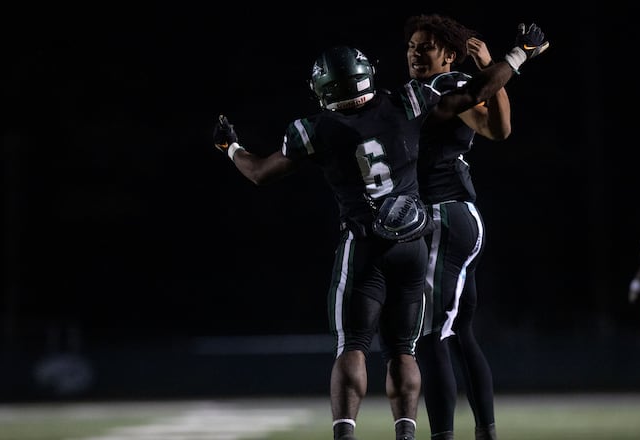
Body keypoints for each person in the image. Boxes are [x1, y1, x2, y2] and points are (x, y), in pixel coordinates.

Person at [211, 25, 549, 440]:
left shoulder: (313, 128)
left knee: (356, 343)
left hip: (370, 240)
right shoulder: (407, 101)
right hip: (414, 241)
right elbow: (479, 90)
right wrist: (518, 54)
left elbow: (260, 172)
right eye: (412, 47)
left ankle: (348, 432)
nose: (414, 54)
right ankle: (409, 431)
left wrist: (229, 148)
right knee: (415, 345)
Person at [390, 14, 512, 440]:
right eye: (411, 47)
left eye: (426, 47)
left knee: (429, 334)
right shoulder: (442, 89)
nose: (415, 53)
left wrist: (494, 68)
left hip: (443, 215)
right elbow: (498, 128)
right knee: (459, 332)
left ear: (449, 55)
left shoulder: (446, 87)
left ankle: (443, 435)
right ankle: (486, 431)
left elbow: (499, 128)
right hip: (456, 217)